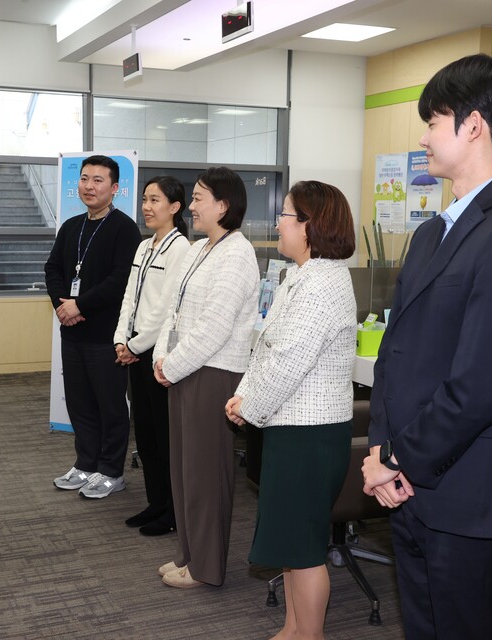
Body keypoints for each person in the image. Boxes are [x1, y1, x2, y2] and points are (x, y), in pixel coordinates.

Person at [360, 53, 492, 639]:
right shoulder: (432, 232)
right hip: (410, 487)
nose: (423, 136)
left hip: (470, 496)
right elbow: (397, 358)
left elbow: (479, 384)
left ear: (472, 125)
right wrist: (381, 456)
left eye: (433, 120)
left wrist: (399, 459)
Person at [226, 180, 358, 640]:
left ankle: (310, 634)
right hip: (290, 427)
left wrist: (250, 406)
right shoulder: (298, 277)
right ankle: (292, 628)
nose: (278, 223)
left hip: (310, 435)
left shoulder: (322, 284)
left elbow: (289, 363)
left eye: (285, 215)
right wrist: (245, 396)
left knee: (304, 548)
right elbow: (266, 347)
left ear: (309, 226)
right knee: (291, 540)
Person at [152, 166, 260, 589]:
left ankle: (206, 567)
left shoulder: (237, 254)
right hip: (184, 369)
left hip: (212, 373)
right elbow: (174, 313)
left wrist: (171, 366)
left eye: (199, 198)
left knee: (206, 476)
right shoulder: (202, 249)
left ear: (223, 205)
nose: (191, 206)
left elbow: (214, 327)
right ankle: (188, 555)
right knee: (184, 472)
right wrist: (162, 358)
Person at [46, 155, 142, 499]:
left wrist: (79, 305)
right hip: (72, 332)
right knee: (80, 403)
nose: (89, 186)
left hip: (106, 335)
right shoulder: (71, 226)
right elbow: (53, 268)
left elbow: (120, 281)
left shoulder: (125, 228)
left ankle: (111, 471)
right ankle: (85, 464)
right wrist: (62, 303)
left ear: (114, 188)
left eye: (98, 180)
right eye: (85, 179)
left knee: (110, 405)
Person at [113, 176, 191, 536]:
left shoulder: (181, 249)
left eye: (155, 200)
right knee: (143, 433)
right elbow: (130, 297)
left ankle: (173, 511)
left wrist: (135, 346)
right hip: (134, 349)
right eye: (145, 199)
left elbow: (164, 310)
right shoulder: (144, 247)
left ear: (174, 207)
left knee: (164, 437)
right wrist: (120, 339)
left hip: (157, 354)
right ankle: (155, 502)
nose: (147, 206)